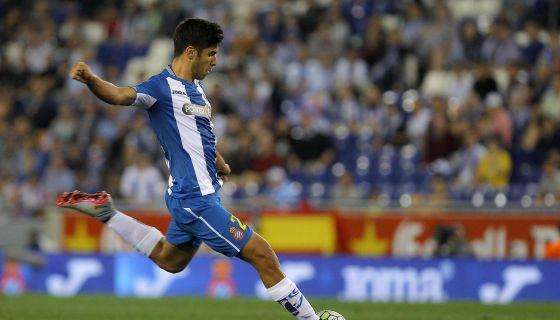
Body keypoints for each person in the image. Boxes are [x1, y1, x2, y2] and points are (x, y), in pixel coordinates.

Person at [59, 18, 321, 320]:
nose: (215, 60)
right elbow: (119, 95)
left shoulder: (197, 90)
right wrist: (91, 79)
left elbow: (200, 135)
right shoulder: (159, 87)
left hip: (203, 194)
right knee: (262, 254)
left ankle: (107, 213)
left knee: (171, 260)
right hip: (193, 197)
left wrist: (218, 161)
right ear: (191, 52)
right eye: (211, 53)